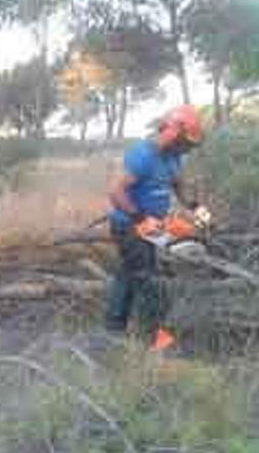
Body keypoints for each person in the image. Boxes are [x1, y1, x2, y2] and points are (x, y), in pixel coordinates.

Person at [105, 105, 205, 351]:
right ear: (172, 132)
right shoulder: (143, 155)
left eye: (188, 146)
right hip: (130, 225)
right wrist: (139, 218)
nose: (185, 149)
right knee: (149, 279)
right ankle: (152, 341)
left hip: (152, 225)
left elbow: (177, 184)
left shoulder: (174, 157)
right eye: (184, 143)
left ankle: (113, 328)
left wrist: (195, 207)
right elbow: (115, 191)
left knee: (128, 273)